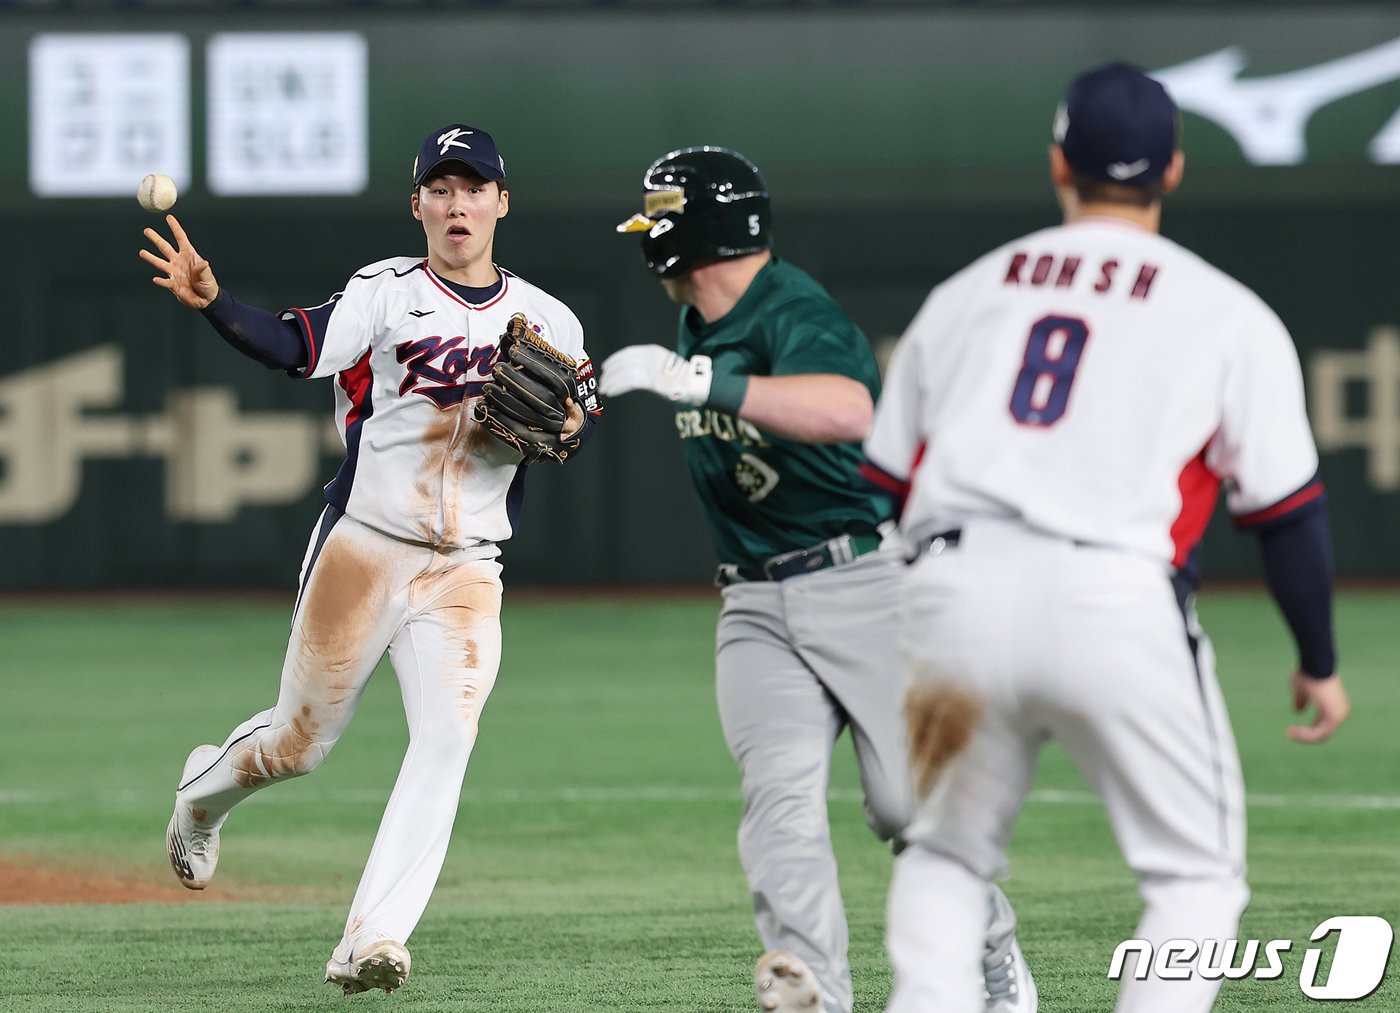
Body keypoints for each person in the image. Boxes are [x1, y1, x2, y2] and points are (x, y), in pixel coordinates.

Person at [863, 63, 1349, 1013]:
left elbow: (877, 483)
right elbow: (1286, 514)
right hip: (1113, 598)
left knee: (948, 852)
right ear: (1172, 171)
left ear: (1058, 163)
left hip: (951, 587)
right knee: (1195, 880)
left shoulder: (970, 291)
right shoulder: (1225, 310)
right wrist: (1317, 659)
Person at [140, 123, 601, 996]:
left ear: (501, 202)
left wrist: (575, 421)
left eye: (474, 187)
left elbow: (582, 412)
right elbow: (294, 347)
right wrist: (213, 301)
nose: (457, 202)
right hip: (366, 546)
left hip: (468, 564)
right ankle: (198, 800)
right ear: (418, 204)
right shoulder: (386, 292)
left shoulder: (550, 318)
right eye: (441, 186)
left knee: (447, 737)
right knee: (298, 746)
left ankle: (373, 938)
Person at [600, 146, 1035, 1013]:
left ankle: (992, 953)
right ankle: (813, 990)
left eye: (661, 217)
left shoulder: (790, 305)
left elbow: (850, 409)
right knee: (780, 806)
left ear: (701, 229)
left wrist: (694, 380)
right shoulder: (698, 316)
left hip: (860, 581)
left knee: (908, 809)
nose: (649, 237)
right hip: (754, 602)